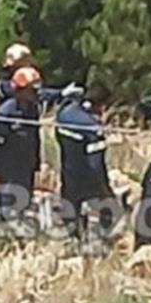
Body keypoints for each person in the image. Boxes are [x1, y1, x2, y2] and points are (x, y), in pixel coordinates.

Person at [55, 83, 116, 236]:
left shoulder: (64, 113)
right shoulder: (93, 128)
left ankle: (73, 240)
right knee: (108, 210)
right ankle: (101, 242)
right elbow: (96, 164)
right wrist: (105, 187)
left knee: (71, 211)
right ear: (100, 104)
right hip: (88, 177)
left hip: (68, 172)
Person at [0, 66, 43, 217]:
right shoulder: (6, 113)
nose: (36, 94)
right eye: (32, 91)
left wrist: (36, 163)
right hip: (8, 166)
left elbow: (34, 137)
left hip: (25, 164)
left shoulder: (32, 109)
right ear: (21, 90)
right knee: (9, 204)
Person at [0, 42, 81, 112]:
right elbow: (38, 94)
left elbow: (37, 92)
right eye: (25, 60)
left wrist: (61, 93)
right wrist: (61, 93)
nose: (29, 63)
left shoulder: (26, 76)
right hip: (10, 125)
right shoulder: (3, 82)